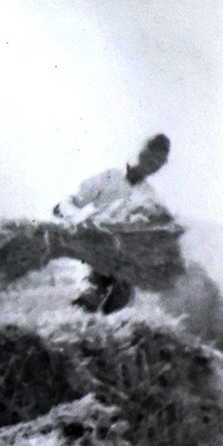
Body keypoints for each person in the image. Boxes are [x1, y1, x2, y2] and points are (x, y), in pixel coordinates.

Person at [54, 133, 171, 314]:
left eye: (159, 162)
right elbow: (64, 205)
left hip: (123, 263)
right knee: (90, 294)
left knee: (121, 300)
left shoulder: (149, 197)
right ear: (140, 152)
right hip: (94, 251)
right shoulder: (109, 178)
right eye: (150, 157)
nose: (153, 165)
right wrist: (79, 217)